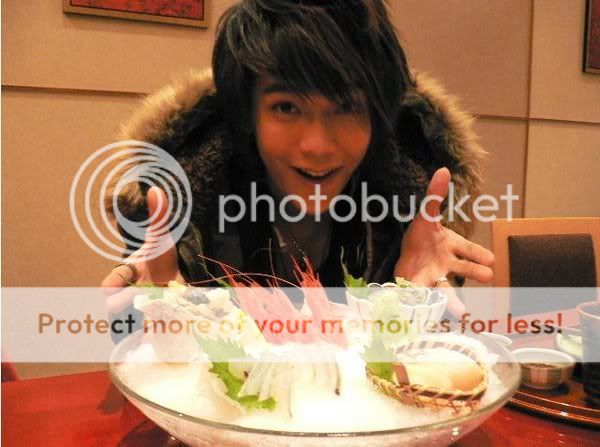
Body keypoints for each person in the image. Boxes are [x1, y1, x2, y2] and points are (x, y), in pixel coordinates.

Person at [102, 0, 494, 319]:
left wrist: (410, 301)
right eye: (287, 107)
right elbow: (134, 345)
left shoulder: (410, 211)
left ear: (377, 120)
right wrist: (163, 320)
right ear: (249, 115)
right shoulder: (181, 208)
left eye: (346, 108)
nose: (317, 145)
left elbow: (428, 374)